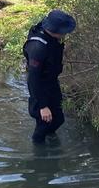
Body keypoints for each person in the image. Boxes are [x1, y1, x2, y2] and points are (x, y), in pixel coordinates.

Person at [23, 9, 76, 143]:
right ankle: (39, 154)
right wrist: (42, 106)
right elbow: (33, 79)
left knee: (58, 119)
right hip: (40, 88)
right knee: (44, 123)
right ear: (56, 30)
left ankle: (50, 136)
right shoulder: (38, 47)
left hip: (51, 82)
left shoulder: (50, 34)